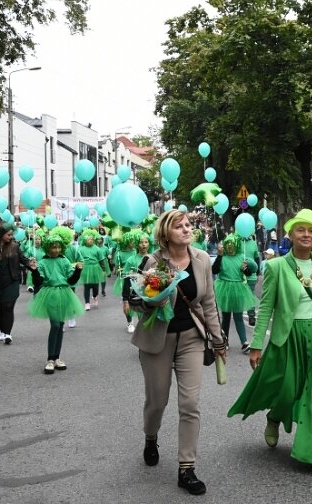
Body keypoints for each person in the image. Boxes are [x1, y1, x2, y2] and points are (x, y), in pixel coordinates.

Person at [228, 208, 312, 476]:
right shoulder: (276, 266)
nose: (306, 234)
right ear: (289, 234)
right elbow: (266, 307)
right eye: (300, 229)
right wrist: (256, 345)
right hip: (288, 335)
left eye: (311, 230)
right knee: (289, 389)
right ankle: (274, 417)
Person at [130, 209, 227, 496]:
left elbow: (208, 302)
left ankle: (187, 468)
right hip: (158, 338)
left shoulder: (201, 260)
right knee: (157, 401)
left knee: (190, 404)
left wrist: (218, 339)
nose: (186, 230)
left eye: (188, 225)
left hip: (191, 339)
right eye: (178, 227)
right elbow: (136, 301)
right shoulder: (153, 261)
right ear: (165, 234)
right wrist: (151, 302)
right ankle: (151, 437)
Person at [28, 231, 84, 374]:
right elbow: (38, 281)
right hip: (50, 293)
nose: (56, 250)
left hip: (64, 294)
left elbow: (71, 280)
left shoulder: (64, 260)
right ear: (48, 248)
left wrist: (77, 270)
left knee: (60, 325)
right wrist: (34, 271)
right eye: (53, 247)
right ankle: (50, 359)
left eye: (59, 247)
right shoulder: (43, 262)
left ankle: (57, 357)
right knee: (55, 325)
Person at [213, 234, 257, 353]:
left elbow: (248, 273)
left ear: (236, 246)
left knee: (238, 317)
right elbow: (214, 270)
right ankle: (224, 339)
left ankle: (244, 342)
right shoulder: (223, 257)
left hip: (238, 288)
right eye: (228, 245)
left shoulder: (241, 257)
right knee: (226, 317)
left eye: (232, 245)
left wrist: (245, 269)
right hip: (225, 289)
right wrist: (219, 256)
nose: (230, 248)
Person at [121, 230, 150, 334]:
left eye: (146, 242)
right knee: (129, 307)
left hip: (147, 290)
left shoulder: (152, 258)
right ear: (137, 244)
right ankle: (130, 322)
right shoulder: (131, 260)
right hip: (133, 289)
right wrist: (125, 299)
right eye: (141, 242)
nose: (144, 245)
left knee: (145, 313)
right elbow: (126, 278)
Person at [78, 229, 106, 311]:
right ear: (85, 241)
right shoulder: (81, 249)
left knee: (95, 286)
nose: (90, 241)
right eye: (88, 239)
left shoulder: (97, 249)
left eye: (91, 239)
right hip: (86, 268)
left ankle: (95, 296)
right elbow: (79, 260)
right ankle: (87, 303)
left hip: (95, 268)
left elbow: (101, 260)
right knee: (86, 286)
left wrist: (103, 270)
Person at [242, 234, 261, 326]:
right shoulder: (236, 242)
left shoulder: (253, 243)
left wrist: (257, 273)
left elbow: (257, 259)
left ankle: (251, 316)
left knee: (250, 296)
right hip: (239, 274)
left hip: (251, 274)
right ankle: (240, 315)